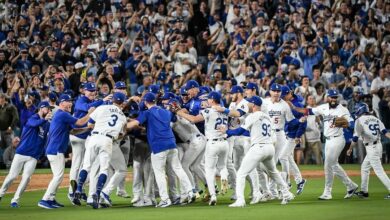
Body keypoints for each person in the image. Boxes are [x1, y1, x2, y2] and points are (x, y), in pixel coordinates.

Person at [219, 96, 294, 207]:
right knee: (273, 172)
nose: (247, 105)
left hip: (258, 148)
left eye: (249, 103)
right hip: (269, 148)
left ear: (254, 105)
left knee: (241, 173)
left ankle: (240, 200)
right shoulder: (267, 116)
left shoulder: (253, 116)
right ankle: (286, 193)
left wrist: (227, 131)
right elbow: (252, 131)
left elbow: (240, 131)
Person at [127, 92, 195, 208]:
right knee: (178, 169)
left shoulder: (147, 113)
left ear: (145, 102)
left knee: (159, 173)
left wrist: (123, 124)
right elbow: (174, 117)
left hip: (159, 146)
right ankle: (190, 191)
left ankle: (165, 199)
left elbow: (133, 124)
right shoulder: (165, 111)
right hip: (171, 144)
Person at [291, 90, 358, 200]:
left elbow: (351, 123)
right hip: (328, 140)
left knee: (328, 165)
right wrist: (294, 108)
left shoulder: (342, 109)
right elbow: (308, 111)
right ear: (328, 98)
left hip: (337, 140)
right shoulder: (323, 107)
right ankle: (351, 186)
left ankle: (327, 192)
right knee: (334, 165)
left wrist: (348, 124)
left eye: (335, 97)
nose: (333, 99)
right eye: (332, 97)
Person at [38, 94, 94, 209]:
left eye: (71, 101)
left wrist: (87, 129)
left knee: (58, 175)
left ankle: (51, 198)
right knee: (58, 176)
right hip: (55, 150)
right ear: (61, 103)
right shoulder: (62, 114)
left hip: (54, 149)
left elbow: (73, 131)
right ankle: (45, 199)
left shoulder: (61, 115)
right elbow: (79, 122)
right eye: (68, 101)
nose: (70, 103)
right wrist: (90, 113)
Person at [74, 92, 127, 209]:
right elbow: (121, 135)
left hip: (94, 137)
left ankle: (78, 190)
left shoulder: (101, 107)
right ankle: (97, 195)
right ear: (122, 103)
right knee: (104, 169)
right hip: (107, 141)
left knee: (86, 166)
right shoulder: (123, 117)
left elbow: (90, 124)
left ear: (112, 100)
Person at [177, 91, 228, 206]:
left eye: (208, 99)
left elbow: (194, 119)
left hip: (212, 143)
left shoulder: (208, 111)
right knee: (222, 166)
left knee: (209, 171)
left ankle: (213, 195)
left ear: (211, 100)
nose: (206, 101)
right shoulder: (224, 111)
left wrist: (179, 112)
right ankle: (224, 179)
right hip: (224, 143)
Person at [213, 85, 260, 202]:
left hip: (245, 137)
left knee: (251, 166)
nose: (230, 95)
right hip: (234, 137)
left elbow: (238, 114)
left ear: (238, 93)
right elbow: (230, 118)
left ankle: (257, 192)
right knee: (239, 166)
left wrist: (223, 110)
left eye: (232, 93)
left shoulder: (244, 102)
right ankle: (241, 191)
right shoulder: (232, 104)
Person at [0, 102, 51, 208]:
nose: (49, 111)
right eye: (47, 109)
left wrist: (40, 153)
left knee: (27, 178)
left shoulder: (47, 124)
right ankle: (1, 193)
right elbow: (34, 124)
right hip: (22, 152)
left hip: (33, 156)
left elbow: (45, 139)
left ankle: (15, 200)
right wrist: (44, 120)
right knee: (12, 176)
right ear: (41, 109)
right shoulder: (33, 117)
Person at [68, 82, 109, 203]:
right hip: (78, 136)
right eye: (89, 90)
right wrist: (102, 101)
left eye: (94, 90)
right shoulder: (81, 100)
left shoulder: (94, 100)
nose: (92, 92)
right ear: (84, 91)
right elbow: (88, 108)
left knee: (85, 165)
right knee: (77, 164)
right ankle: (72, 191)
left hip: (87, 137)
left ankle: (81, 190)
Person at [347, 103, 390, 199]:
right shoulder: (375, 118)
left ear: (360, 110)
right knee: (364, 167)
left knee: (379, 171)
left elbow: (355, 138)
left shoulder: (359, 120)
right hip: (378, 146)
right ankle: (364, 192)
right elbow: (385, 133)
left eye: (357, 109)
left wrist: (350, 149)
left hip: (371, 148)